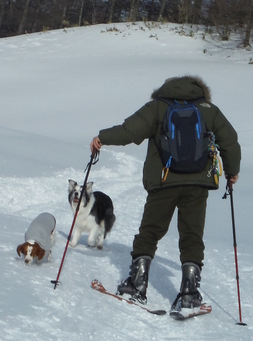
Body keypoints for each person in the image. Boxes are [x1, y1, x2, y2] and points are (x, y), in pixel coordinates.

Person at [90, 74, 240, 310]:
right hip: (198, 183)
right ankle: (190, 293)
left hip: (164, 179)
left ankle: (137, 285)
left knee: (150, 231)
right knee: (192, 235)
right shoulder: (208, 109)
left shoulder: (157, 107)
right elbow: (229, 140)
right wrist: (232, 172)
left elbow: (130, 131)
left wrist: (102, 137)